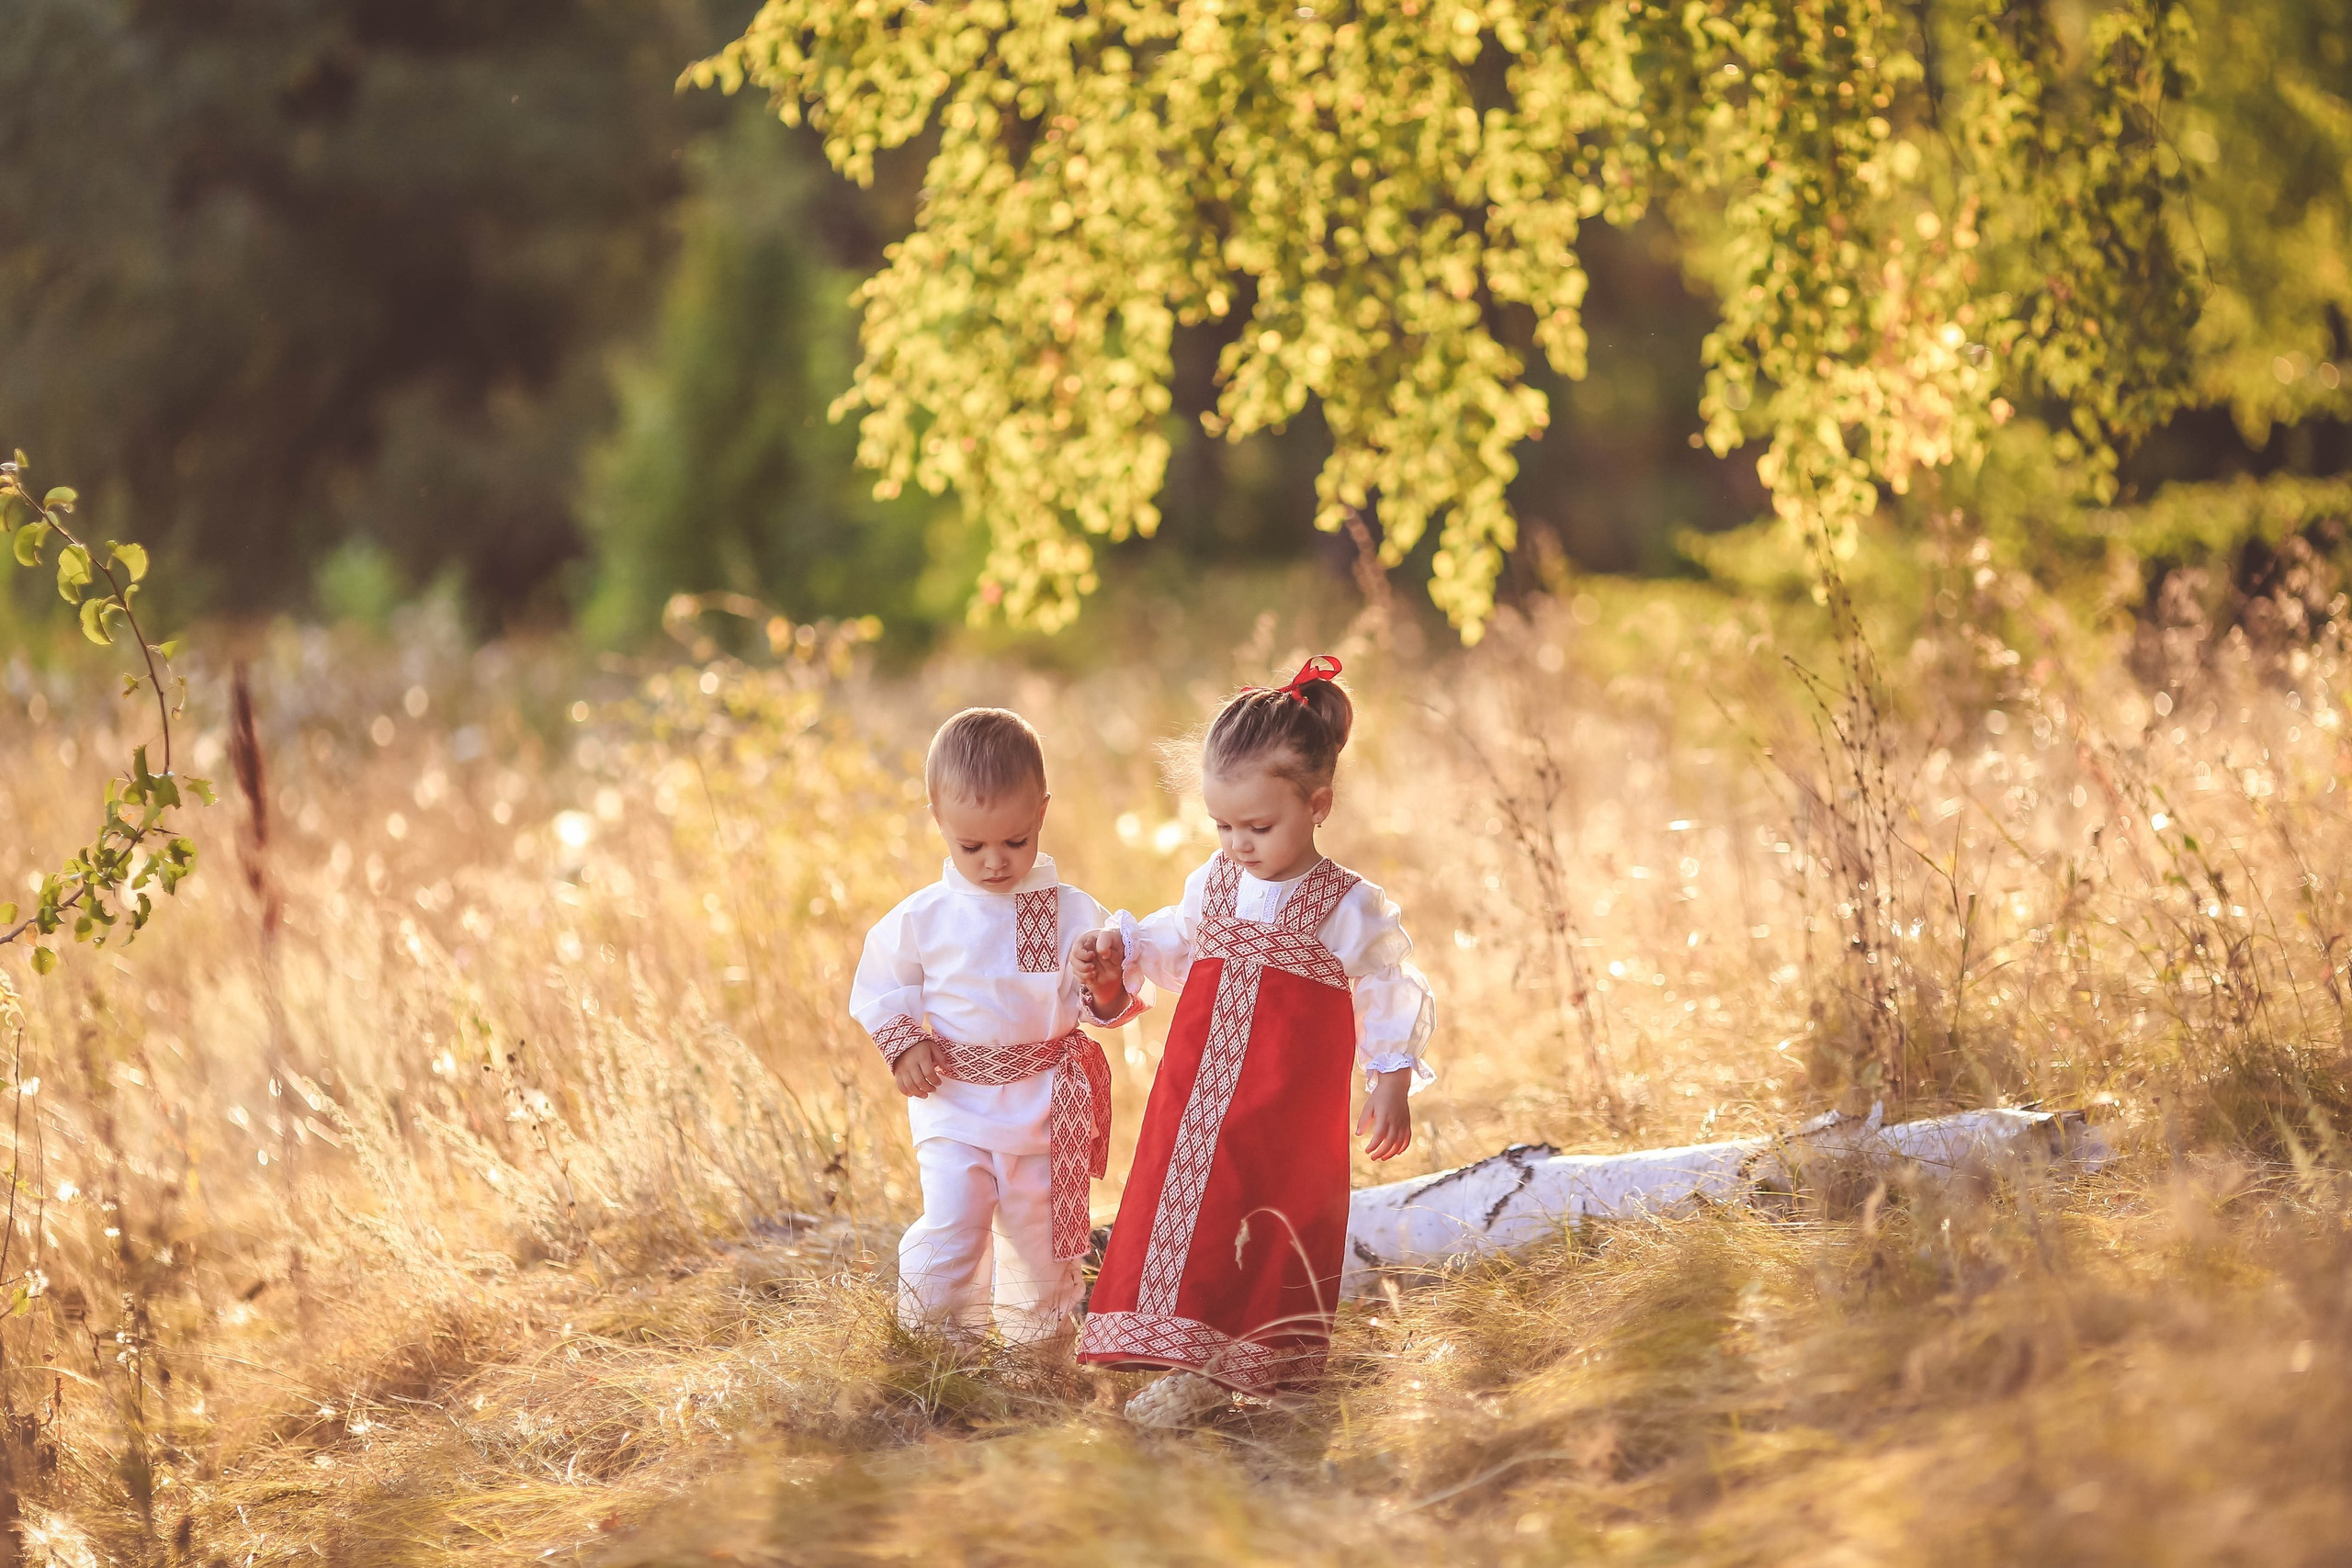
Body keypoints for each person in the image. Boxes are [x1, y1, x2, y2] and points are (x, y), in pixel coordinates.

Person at [1072, 655, 1434, 1424]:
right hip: (1198, 1094)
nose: (1237, 842)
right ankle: (1188, 1361)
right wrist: (1115, 961)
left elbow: (1388, 986)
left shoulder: (1348, 906)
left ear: (1317, 804)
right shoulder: (1215, 883)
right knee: (1191, 1207)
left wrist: (1391, 1077)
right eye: (1223, 825)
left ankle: (1256, 1363)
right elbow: (1172, 944)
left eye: (1259, 827)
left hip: (1284, 1104)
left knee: (1271, 1217)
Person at [851, 707, 1139, 1348]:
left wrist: (1102, 980)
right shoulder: (925, 916)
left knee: (1040, 1238)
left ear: (1041, 811)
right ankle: (936, 1344)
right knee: (955, 1222)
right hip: (954, 1099)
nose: (994, 862)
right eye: (972, 846)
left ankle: (1034, 1354)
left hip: (1043, 1103)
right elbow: (880, 985)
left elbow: (1105, 1000)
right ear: (938, 818)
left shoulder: (1069, 911)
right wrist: (904, 1044)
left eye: (1015, 841)